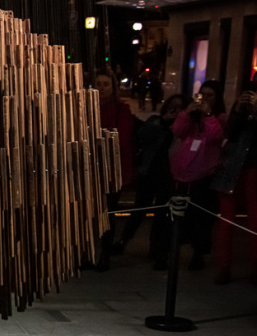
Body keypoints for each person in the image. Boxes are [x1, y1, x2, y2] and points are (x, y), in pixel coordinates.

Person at [113, 94, 187, 269]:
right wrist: (163, 121)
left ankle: (157, 248)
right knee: (140, 208)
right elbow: (143, 135)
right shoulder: (155, 121)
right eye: (172, 106)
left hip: (169, 175)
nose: (175, 110)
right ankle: (124, 240)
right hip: (150, 172)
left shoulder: (183, 127)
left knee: (163, 213)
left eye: (179, 107)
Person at [169, 80, 227, 270]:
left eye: (210, 95)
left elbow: (215, 136)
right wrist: (188, 111)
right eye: (203, 94)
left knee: (201, 218)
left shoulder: (219, 117)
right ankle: (175, 248)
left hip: (205, 172)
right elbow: (178, 130)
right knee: (181, 216)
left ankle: (198, 253)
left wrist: (208, 115)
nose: (205, 99)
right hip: (184, 171)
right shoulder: (191, 115)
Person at [210, 77, 257, 284]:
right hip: (232, 167)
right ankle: (224, 266)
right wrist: (238, 111)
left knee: (254, 220)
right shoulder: (241, 108)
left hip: (253, 168)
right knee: (226, 219)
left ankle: (255, 265)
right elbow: (230, 132)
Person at [93, 68, 136, 271]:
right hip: (92, 166)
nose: (101, 88)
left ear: (113, 87)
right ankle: (89, 254)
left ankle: (105, 255)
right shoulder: (87, 107)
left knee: (108, 212)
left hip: (112, 168)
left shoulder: (121, 110)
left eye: (105, 84)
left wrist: (99, 140)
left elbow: (122, 139)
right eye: (98, 84)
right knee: (91, 214)